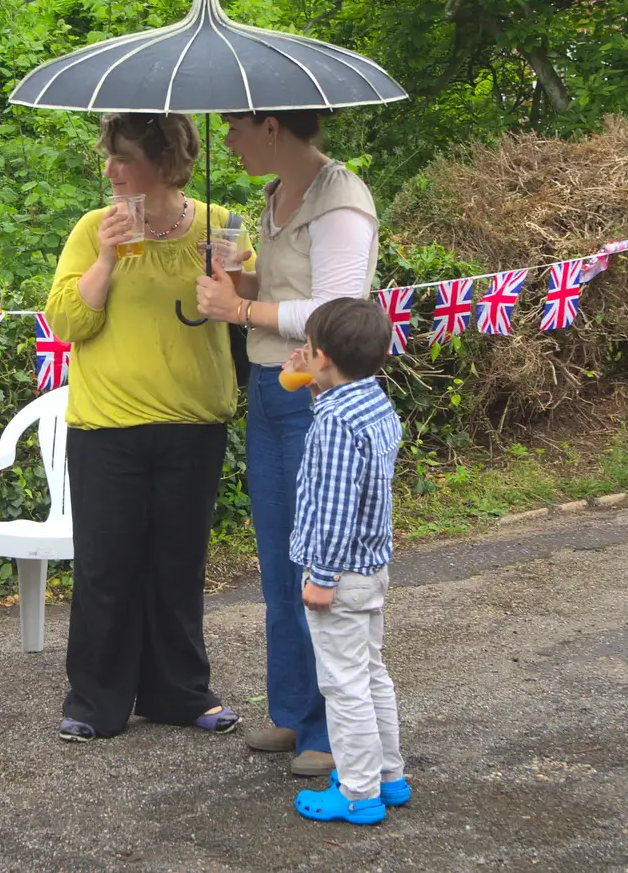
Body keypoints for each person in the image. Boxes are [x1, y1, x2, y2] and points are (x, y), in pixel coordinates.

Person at [46, 112, 253, 743]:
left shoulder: (224, 223)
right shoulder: (91, 229)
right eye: (107, 156)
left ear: (164, 163)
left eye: (123, 157)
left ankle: (181, 693)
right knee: (107, 568)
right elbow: (65, 322)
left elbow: (248, 314)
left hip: (193, 423)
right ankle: (95, 701)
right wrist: (106, 258)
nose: (109, 170)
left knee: (178, 564)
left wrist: (232, 274)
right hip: (107, 428)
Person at [194, 109, 379, 778]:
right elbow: (279, 294)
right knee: (278, 558)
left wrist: (239, 310)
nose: (227, 140)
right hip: (272, 390)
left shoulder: (341, 200)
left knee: (316, 558)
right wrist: (234, 284)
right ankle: (294, 709)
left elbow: (334, 310)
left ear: (271, 125)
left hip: (314, 394)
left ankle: (328, 728)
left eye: (235, 127)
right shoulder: (274, 197)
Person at [282, 297, 408, 825]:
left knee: (343, 684)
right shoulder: (373, 402)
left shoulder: (334, 423)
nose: (302, 356)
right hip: (371, 568)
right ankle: (387, 774)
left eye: (308, 351)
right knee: (371, 673)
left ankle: (358, 794)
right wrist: (316, 386)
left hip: (340, 574)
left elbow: (334, 508)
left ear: (323, 356)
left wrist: (322, 577)